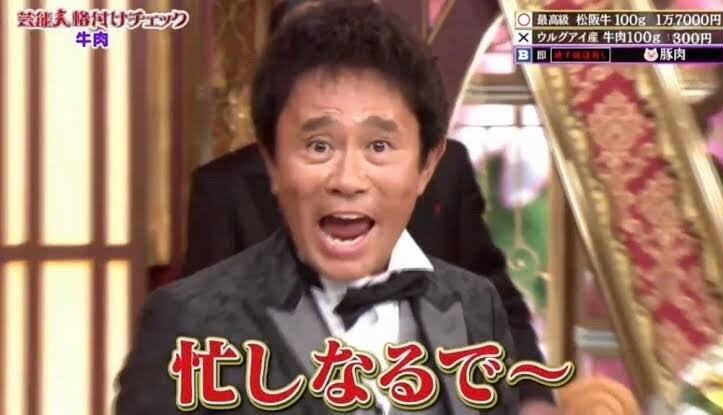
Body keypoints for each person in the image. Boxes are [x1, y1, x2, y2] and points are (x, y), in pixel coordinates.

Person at [116, 1, 560, 413]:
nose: (347, 180)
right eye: (319, 145)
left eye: (379, 146)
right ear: (271, 160)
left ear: (427, 165)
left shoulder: (475, 306)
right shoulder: (187, 321)